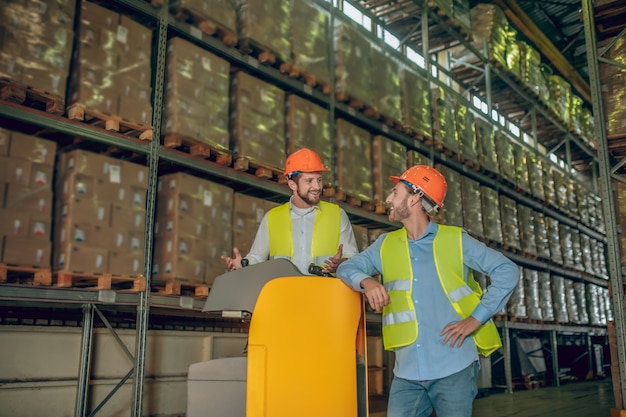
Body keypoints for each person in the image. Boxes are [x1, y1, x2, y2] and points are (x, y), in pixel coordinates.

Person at [336, 165, 520, 417]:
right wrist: (367, 282)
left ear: (415, 198)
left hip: (454, 366)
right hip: (407, 374)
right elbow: (347, 267)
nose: (388, 199)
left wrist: (475, 319)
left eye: (395, 193)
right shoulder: (385, 245)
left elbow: (506, 271)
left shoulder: (455, 240)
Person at [221, 148, 359, 275]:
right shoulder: (272, 218)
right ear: (293, 184)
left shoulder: (337, 215)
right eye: (309, 181)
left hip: (324, 295)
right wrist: (243, 265)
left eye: (319, 180)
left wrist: (341, 264)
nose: (317, 186)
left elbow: (353, 257)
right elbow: (257, 257)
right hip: (285, 295)